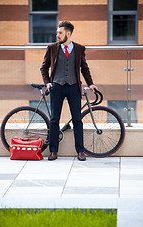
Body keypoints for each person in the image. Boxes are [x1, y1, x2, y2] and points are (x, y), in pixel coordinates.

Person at [40, 21, 98, 161]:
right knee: (54, 119)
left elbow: (84, 68)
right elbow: (44, 67)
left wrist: (91, 84)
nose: (57, 35)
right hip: (57, 86)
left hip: (73, 87)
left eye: (60, 33)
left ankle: (80, 151)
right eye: (57, 32)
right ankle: (53, 151)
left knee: (77, 120)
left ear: (68, 34)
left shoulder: (79, 49)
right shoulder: (52, 48)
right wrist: (48, 83)